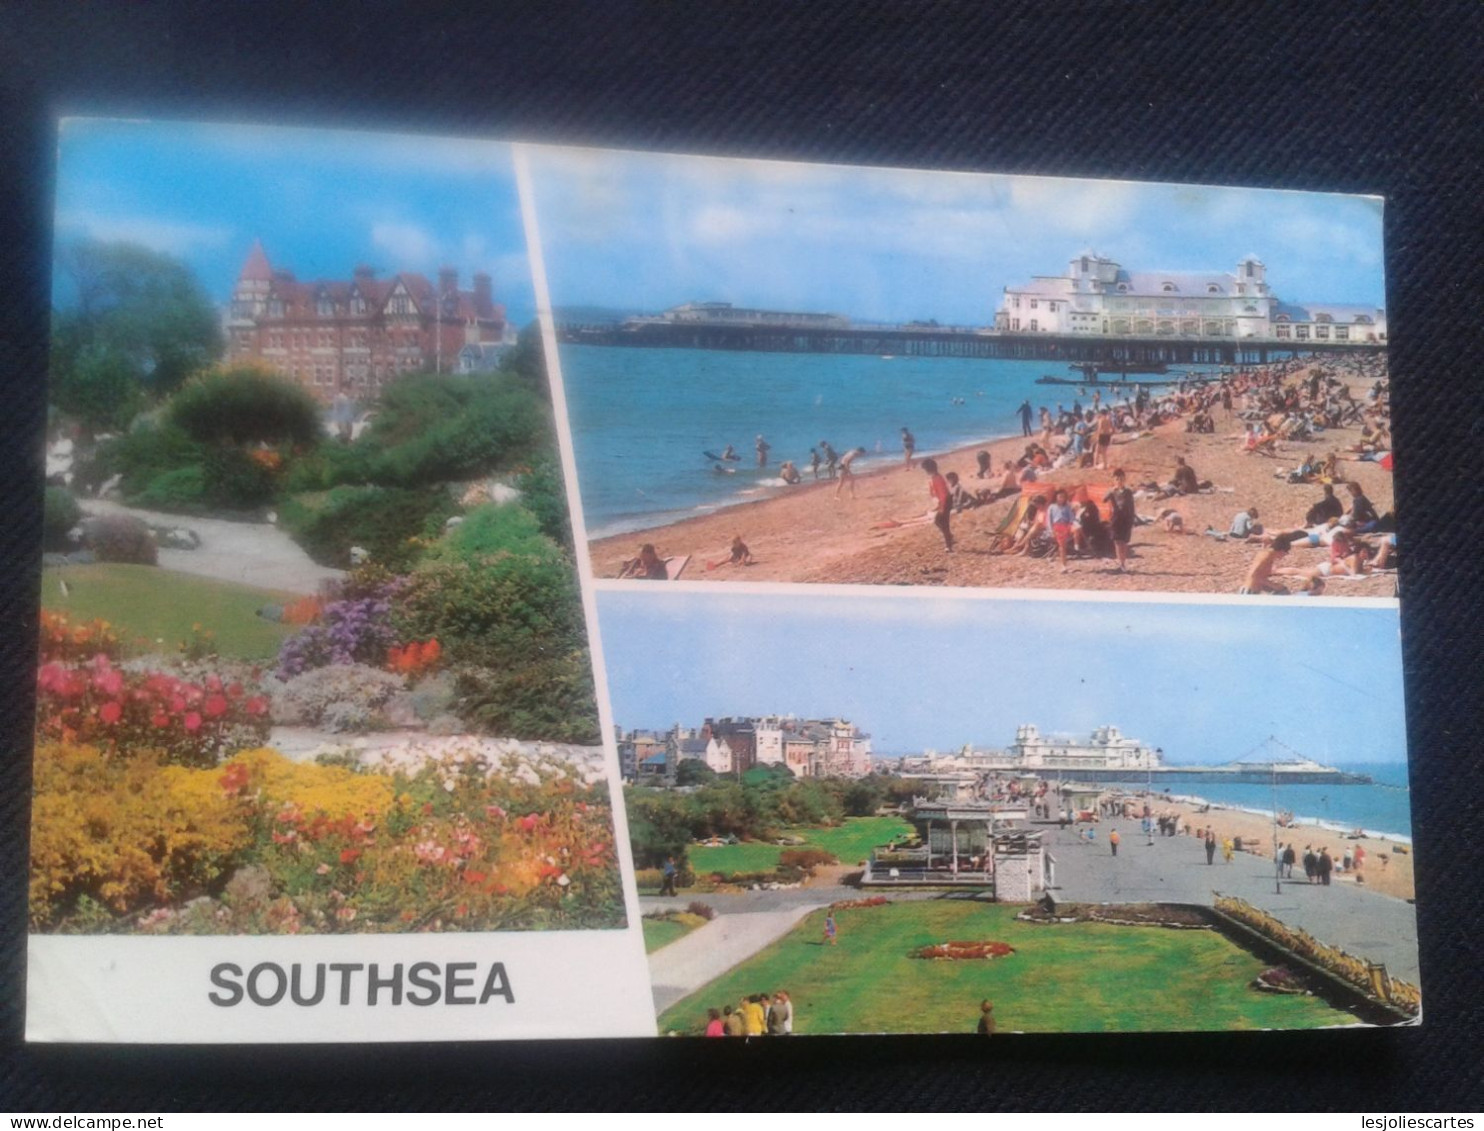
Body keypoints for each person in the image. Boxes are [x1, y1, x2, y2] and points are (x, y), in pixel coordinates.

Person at [1104, 469, 1137, 573]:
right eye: (1117, 479)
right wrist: (1111, 490)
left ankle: (1123, 561)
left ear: (1124, 480)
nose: (1119, 481)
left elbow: (1131, 506)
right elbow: (1104, 499)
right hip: (1116, 518)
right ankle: (1121, 563)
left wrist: (1132, 519)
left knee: (1125, 541)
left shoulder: (1128, 492)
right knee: (1117, 541)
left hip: (1126, 518)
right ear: (1114, 480)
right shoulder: (1112, 491)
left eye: (1121, 479)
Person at [923, 458, 953, 551]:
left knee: (943, 523)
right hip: (944, 501)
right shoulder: (935, 477)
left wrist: (942, 507)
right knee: (939, 522)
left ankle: (949, 544)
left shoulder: (937, 478)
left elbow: (943, 494)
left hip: (946, 502)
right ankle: (949, 538)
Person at [1046, 488, 1076, 571]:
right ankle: (1063, 564)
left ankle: (1077, 545)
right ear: (1056, 497)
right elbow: (1049, 520)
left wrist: (1071, 527)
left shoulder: (1067, 507)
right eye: (1060, 497)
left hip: (1066, 526)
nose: (1062, 499)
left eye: (1063, 497)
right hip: (1057, 527)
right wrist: (1051, 530)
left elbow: (1071, 518)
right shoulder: (1052, 507)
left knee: (1063, 546)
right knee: (1062, 546)